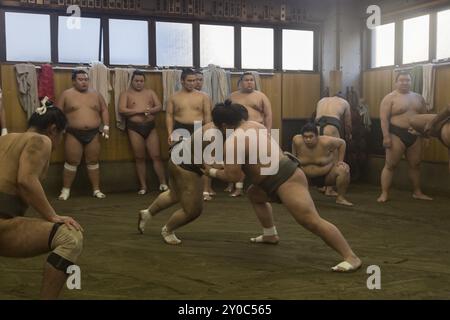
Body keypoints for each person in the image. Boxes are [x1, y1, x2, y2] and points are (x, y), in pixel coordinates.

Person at [202, 103, 362, 272]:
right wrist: (222, 166)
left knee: (310, 220)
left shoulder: (233, 141)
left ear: (225, 125)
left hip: (286, 178)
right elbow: (250, 159)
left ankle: (351, 257)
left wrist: (211, 171)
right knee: (254, 194)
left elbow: (233, 176)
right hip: (274, 177)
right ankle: (270, 234)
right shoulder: (256, 125)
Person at [0, 105, 83, 299]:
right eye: (61, 135)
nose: (58, 142)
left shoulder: (4, 139)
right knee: (70, 238)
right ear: (53, 129)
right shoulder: (41, 139)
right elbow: (26, 180)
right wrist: (51, 215)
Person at [137, 120, 220, 245]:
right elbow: (212, 163)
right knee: (193, 210)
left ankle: (147, 213)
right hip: (186, 163)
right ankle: (168, 230)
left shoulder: (214, 126)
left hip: (179, 153)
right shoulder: (216, 134)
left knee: (174, 194)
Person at [377, 71, 432, 203]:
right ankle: (384, 193)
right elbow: (384, 119)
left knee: (416, 164)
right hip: (396, 134)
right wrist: (386, 136)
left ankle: (417, 192)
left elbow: (425, 118)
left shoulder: (419, 98)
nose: (404, 83)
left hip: (415, 134)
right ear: (396, 82)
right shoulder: (390, 98)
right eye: (401, 80)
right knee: (390, 165)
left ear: (411, 82)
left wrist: (426, 136)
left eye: (407, 80)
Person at [56, 69, 110, 200]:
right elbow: (58, 112)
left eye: (86, 79)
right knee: (71, 161)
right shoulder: (66, 94)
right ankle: (65, 190)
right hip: (73, 132)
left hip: (93, 132)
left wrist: (106, 126)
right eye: (80, 79)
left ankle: (96, 190)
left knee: (93, 161)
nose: (84, 82)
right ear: (74, 81)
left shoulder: (96, 94)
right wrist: (60, 129)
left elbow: (104, 110)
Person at [118, 70, 168, 194]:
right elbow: (122, 109)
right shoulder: (126, 94)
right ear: (132, 81)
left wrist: (150, 110)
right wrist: (139, 111)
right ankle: (143, 186)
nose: (139, 83)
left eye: (141, 81)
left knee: (156, 156)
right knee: (139, 157)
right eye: (136, 81)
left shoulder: (150, 92)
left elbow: (159, 106)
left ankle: (163, 183)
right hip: (134, 127)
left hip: (150, 126)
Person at [227, 72, 273, 197]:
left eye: (252, 80)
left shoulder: (261, 96)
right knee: (237, 159)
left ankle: (257, 187)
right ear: (241, 82)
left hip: (257, 132)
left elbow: (268, 114)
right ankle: (235, 186)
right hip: (238, 131)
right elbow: (227, 114)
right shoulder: (232, 97)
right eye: (246, 80)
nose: (249, 82)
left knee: (257, 161)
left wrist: (268, 131)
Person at [292, 123, 353, 206]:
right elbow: (293, 157)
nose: (308, 139)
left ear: (317, 136)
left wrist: (340, 161)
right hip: (305, 178)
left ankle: (341, 198)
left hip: (327, 176)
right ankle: (295, 197)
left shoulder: (326, 141)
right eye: (305, 137)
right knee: (289, 169)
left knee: (343, 169)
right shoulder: (297, 140)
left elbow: (342, 143)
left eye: (311, 136)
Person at [166, 68, 211, 145]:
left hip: (198, 127)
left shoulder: (204, 96)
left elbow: (207, 115)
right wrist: (170, 133)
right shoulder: (173, 97)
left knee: (197, 156)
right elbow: (169, 116)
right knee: (179, 155)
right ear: (182, 81)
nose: (192, 83)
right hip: (180, 127)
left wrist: (207, 132)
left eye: (194, 80)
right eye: (189, 81)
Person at [194, 69, 216, 201]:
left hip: (203, 127)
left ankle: (207, 188)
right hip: (187, 128)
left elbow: (209, 115)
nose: (198, 82)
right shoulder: (180, 96)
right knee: (192, 160)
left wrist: (209, 131)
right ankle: (197, 188)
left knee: (208, 159)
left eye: (200, 80)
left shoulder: (206, 96)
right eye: (195, 79)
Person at [409, 104, 450, 172]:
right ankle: (425, 133)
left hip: (444, 130)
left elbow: (448, 108)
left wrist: (431, 124)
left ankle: (425, 133)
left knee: (413, 120)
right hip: (444, 131)